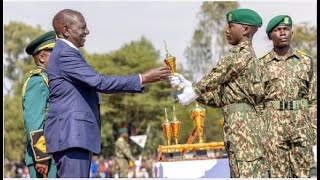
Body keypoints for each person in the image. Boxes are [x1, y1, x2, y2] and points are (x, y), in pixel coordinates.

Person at [43, 9, 171, 178]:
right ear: (66, 30)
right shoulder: (66, 54)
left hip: (74, 136)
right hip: (72, 135)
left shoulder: (66, 53)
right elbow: (100, 82)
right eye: (82, 27)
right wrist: (143, 78)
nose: (87, 31)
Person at [169, 9, 267, 178]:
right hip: (237, 124)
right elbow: (218, 99)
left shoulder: (242, 54)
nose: (226, 30)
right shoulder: (240, 57)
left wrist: (194, 90)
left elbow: (217, 74)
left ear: (245, 30)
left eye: (231, 26)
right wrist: (189, 87)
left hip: (244, 126)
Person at [258, 15, 316, 177]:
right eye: (277, 30)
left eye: (286, 29)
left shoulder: (305, 61)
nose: (282, 33)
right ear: (270, 36)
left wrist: (312, 126)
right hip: (273, 129)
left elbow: (313, 97)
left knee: (304, 174)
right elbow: (257, 101)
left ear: (291, 33)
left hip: (301, 127)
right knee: (278, 175)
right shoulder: (261, 64)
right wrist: (264, 128)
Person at [22, 31, 57, 178]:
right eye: (55, 52)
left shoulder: (51, 79)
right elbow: (34, 121)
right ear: (42, 57)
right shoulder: (38, 81)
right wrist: (42, 156)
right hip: (44, 159)